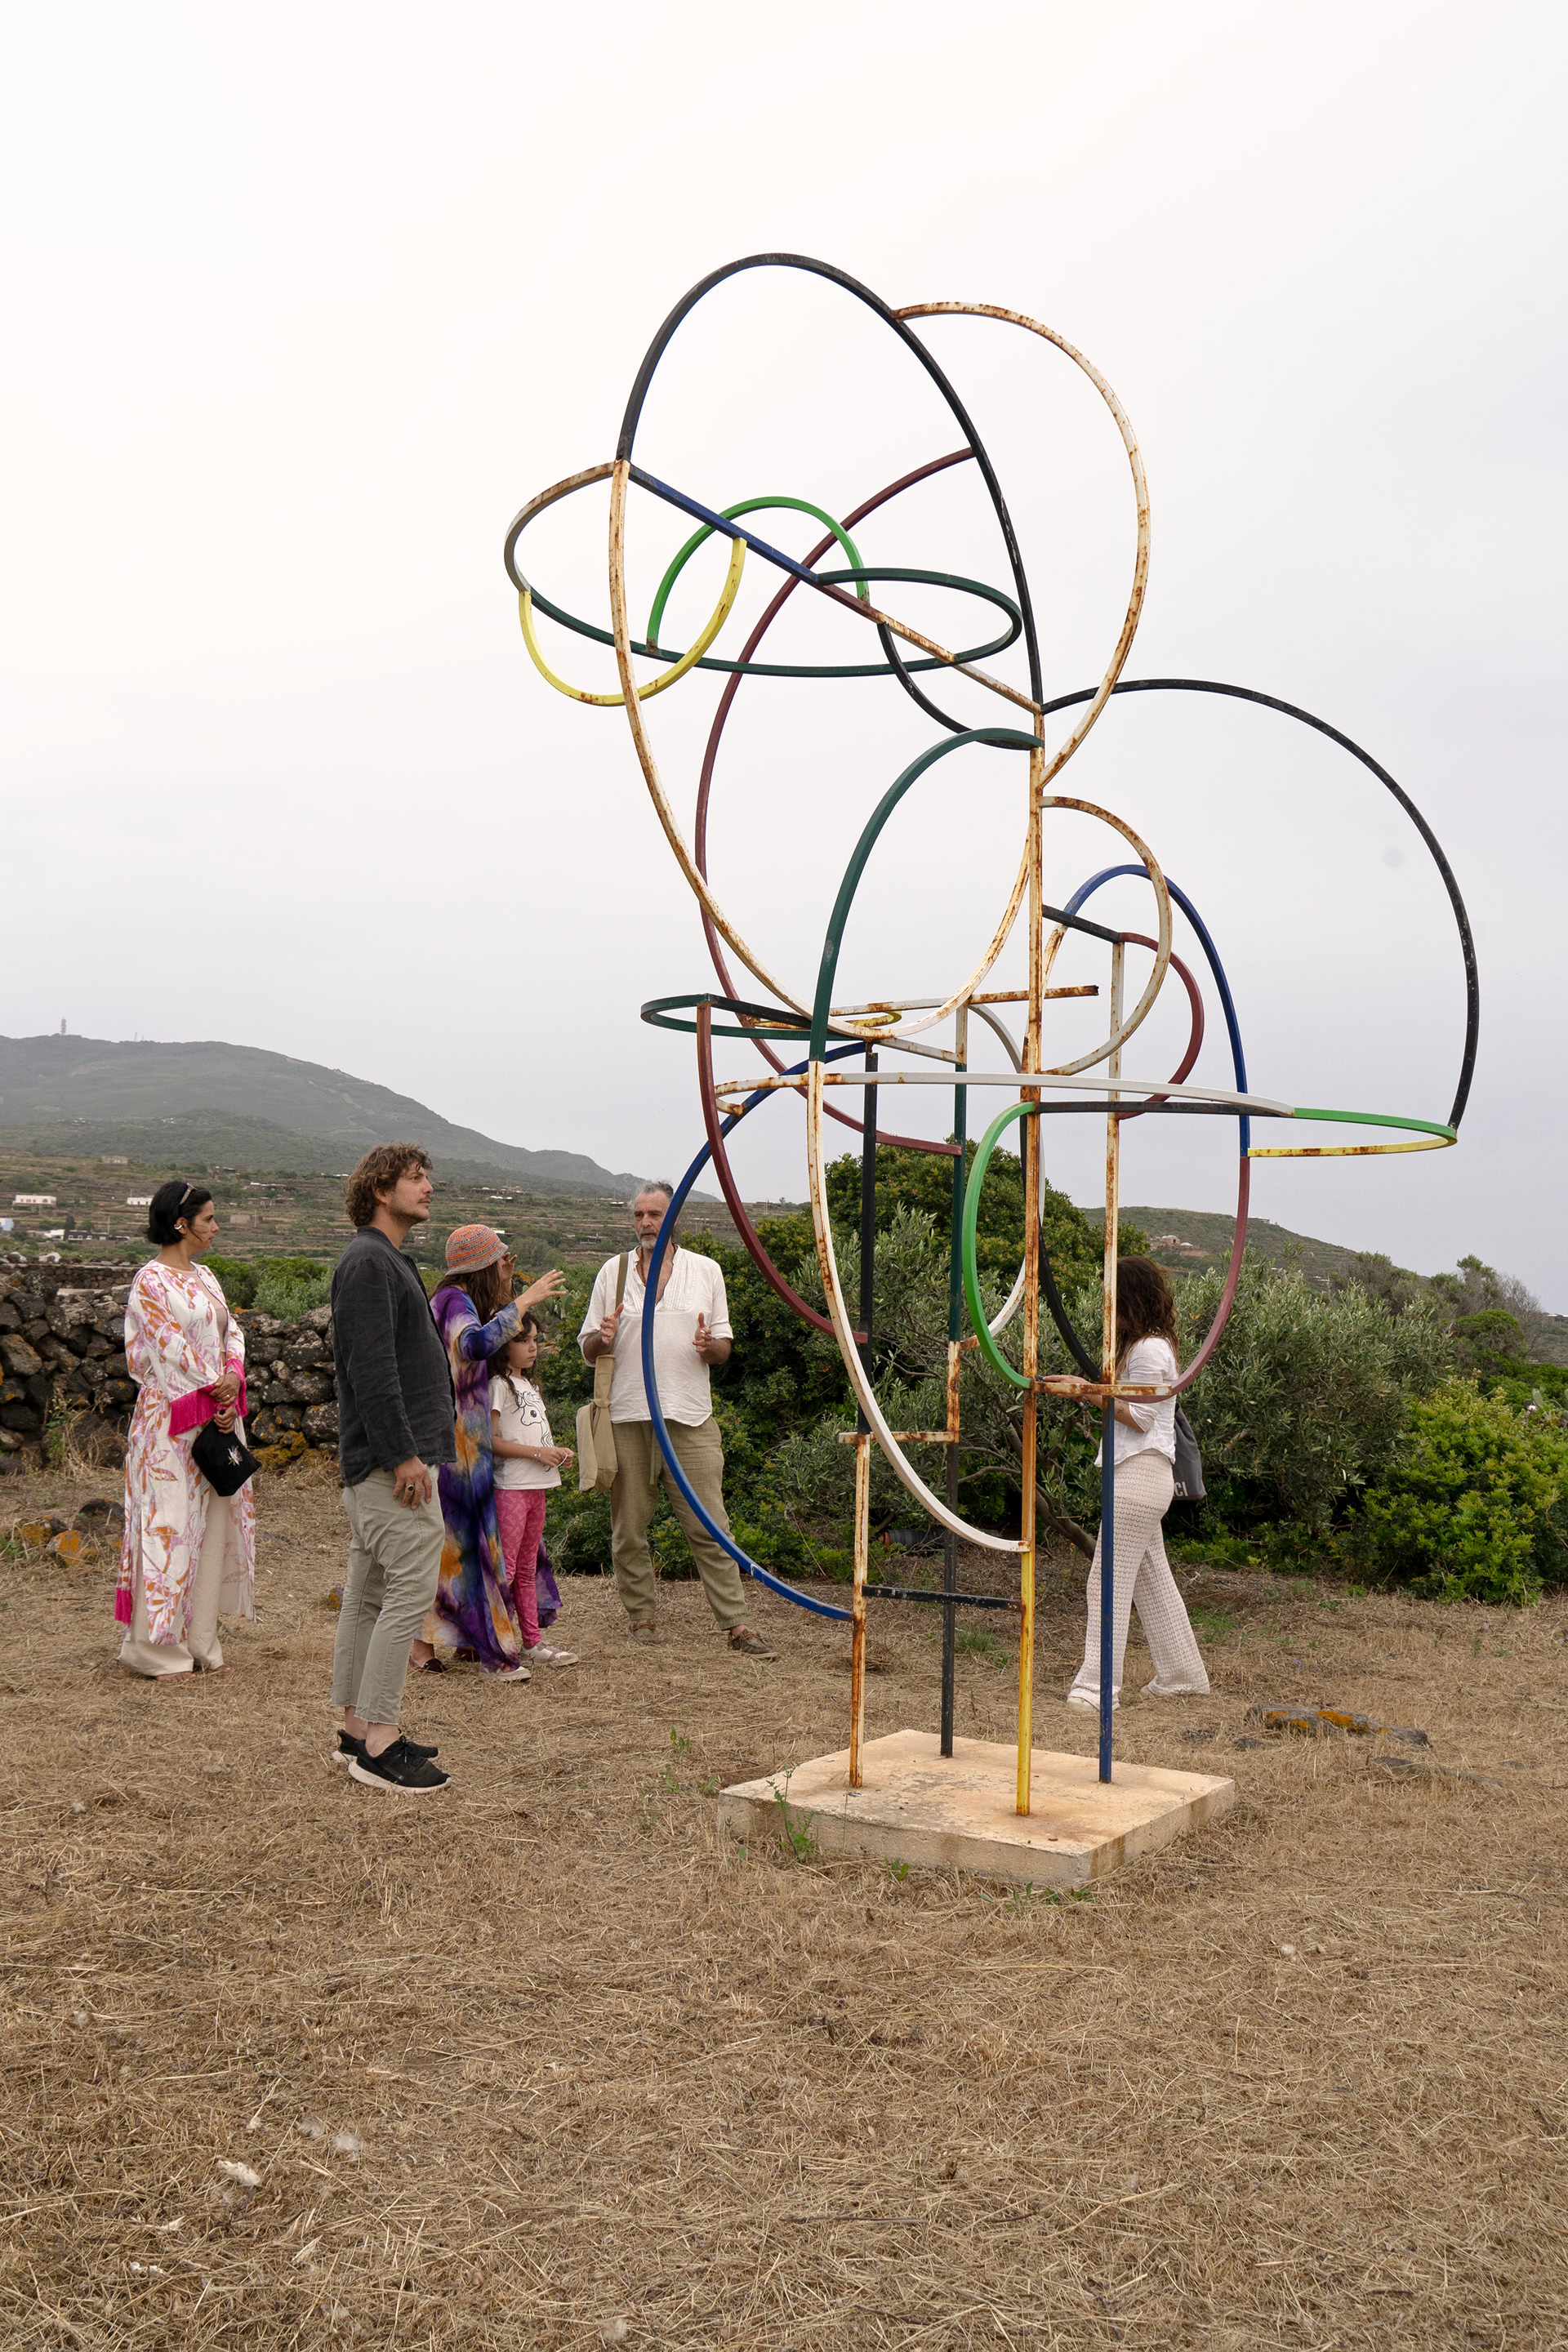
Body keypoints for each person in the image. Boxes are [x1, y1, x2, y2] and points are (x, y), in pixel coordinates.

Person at [579, 1182, 774, 1657]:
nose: (647, 1222)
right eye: (639, 1215)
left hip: (689, 1418)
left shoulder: (706, 1270)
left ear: (675, 1217)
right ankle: (641, 1617)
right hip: (628, 1416)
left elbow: (724, 1347)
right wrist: (603, 1339)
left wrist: (711, 1348)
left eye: (655, 1214)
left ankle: (737, 1625)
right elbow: (588, 1348)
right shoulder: (614, 1270)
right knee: (629, 1527)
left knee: (710, 1525)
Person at [330, 1143, 456, 1793]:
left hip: (385, 1460)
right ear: (382, 1189)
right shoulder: (369, 1263)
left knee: (369, 1596)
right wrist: (404, 1453)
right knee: (405, 1591)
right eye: (415, 1177)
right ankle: (380, 1739)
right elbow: (371, 1369)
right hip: (389, 1464)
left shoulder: (383, 1260)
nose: (428, 1185)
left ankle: (355, 1727)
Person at [116, 1180, 255, 1678]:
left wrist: (232, 1378)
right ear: (181, 1224)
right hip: (169, 1426)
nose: (217, 1228)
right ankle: (156, 1650)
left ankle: (201, 1641)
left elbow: (230, 1331)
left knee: (213, 1525)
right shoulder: (149, 1281)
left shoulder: (208, 1277)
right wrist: (214, 1386)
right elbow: (165, 1347)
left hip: (216, 1416)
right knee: (168, 1526)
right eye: (209, 1219)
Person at [1066, 1256, 1210, 1712]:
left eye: (1116, 1297)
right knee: (1151, 1582)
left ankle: (1097, 1688)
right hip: (1141, 1474)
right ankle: (1182, 1676)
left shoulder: (1149, 1350)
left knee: (1105, 1581)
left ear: (1133, 1298)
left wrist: (1087, 1392)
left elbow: (1142, 1417)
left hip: (1140, 1473)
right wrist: (1094, 1392)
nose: (1111, 1307)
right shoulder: (1148, 1346)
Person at [428, 1227, 565, 1678]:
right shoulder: (452, 1302)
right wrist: (524, 1301)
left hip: (468, 1440)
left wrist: (507, 1288)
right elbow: (475, 1345)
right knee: (473, 1545)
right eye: (500, 1262)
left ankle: (467, 1640)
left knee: (467, 1544)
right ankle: (486, 1646)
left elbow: (487, 1331)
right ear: (481, 1265)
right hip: (462, 1440)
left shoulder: (461, 1300)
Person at [490, 1313, 577, 1668]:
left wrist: (557, 1455)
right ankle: (497, 1647)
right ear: (504, 1345)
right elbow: (491, 1440)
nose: (532, 1347)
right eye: (523, 1340)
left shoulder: (530, 1386)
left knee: (527, 1569)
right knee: (507, 1572)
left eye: (535, 1340)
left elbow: (533, 1435)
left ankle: (532, 1642)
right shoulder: (498, 1384)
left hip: (537, 1485)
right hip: (510, 1486)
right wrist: (540, 1453)